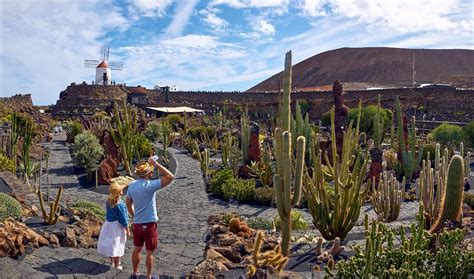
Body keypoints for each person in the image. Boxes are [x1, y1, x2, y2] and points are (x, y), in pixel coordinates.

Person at [126, 157, 175, 279]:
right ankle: (148, 276)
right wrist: (157, 164)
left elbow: (128, 202)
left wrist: (134, 215)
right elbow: (170, 176)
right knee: (149, 253)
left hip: (137, 224)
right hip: (149, 225)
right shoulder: (150, 185)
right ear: (149, 173)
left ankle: (135, 273)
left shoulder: (132, 186)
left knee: (137, 249)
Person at [97, 182, 130, 270]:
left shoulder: (108, 201)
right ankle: (118, 263)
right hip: (117, 227)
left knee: (111, 243)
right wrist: (128, 230)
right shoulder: (120, 204)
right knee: (119, 243)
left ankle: (111, 262)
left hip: (108, 224)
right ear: (119, 192)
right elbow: (123, 219)